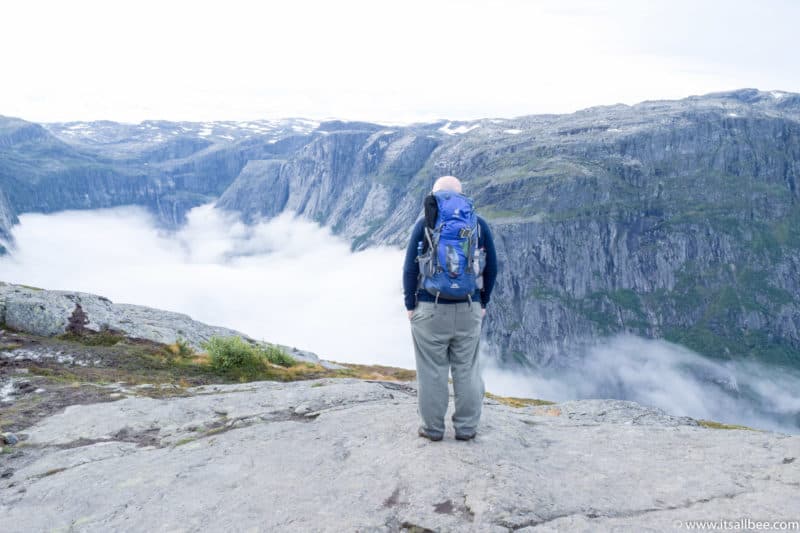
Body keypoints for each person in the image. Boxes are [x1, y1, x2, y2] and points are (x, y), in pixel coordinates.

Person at [402, 175, 498, 441]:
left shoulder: (425, 223)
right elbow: (492, 269)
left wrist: (411, 305)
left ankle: (432, 429)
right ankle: (466, 429)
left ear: (435, 196)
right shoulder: (478, 225)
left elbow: (410, 267)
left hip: (430, 308)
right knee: (466, 369)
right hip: (468, 308)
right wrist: (483, 302)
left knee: (432, 372)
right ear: (461, 196)